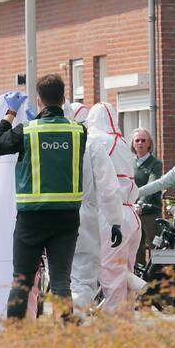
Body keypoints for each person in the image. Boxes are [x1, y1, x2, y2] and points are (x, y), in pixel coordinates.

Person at [0, 74, 85, 321]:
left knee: (22, 280)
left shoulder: (27, 131)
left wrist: (11, 112)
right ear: (64, 99)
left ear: (39, 101)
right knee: (62, 281)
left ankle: (16, 339)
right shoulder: (79, 132)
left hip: (31, 218)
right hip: (67, 218)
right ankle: (67, 340)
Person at [68, 103, 123, 317]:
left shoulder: (47, 139)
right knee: (83, 275)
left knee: (59, 275)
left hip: (48, 212)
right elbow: (108, 187)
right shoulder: (92, 144)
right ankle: (73, 319)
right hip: (84, 214)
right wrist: (115, 221)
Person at [87, 103, 142, 313]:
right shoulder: (122, 142)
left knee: (111, 274)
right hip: (131, 213)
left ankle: (114, 324)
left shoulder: (96, 140)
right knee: (124, 272)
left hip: (111, 213)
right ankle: (125, 319)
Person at [131, 128, 163, 265]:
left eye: (143, 140)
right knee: (136, 249)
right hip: (133, 213)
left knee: (155, 248)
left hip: (150, 212)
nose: (140, 143)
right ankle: (139, 282)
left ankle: (156, 282)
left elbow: (152, 185)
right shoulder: (129, 163)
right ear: (132, 144)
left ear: (149, 144)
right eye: (137, 140)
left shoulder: (155, 164)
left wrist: (140, 204)